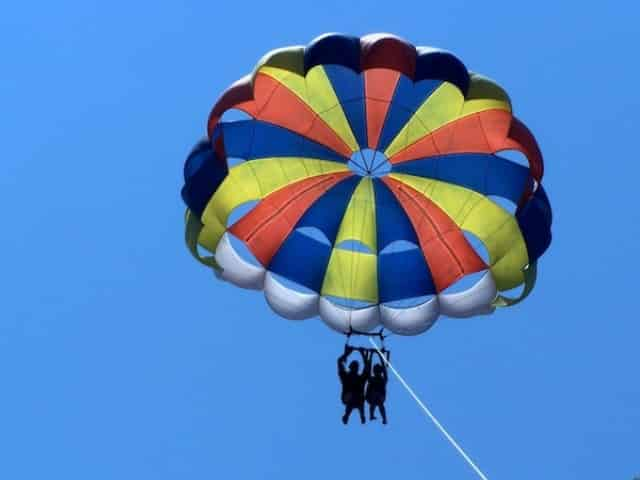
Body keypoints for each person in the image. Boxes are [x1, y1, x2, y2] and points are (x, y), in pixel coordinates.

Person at [337, 345, 370, 424]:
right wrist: (348, 354)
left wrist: (348, 353)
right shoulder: (346, 376)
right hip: (349, 397)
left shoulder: (355, 378)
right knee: (355, 399)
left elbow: (367, 368)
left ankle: (358, 415)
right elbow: (339, 362)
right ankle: (353, 415)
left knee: (357, 399)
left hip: (356, 398)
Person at [365, 349, 388, 424]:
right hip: (372, 396)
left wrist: (380, 355)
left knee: (379, 403)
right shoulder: (372, 378)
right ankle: (372, 415)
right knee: (376, 401)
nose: (377, 373)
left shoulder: (383, 379)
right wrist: (372, 355)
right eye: (376, 371)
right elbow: (368, 369)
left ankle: (383, 418)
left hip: (379, 396)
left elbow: (384, 368)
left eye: (378, 371)